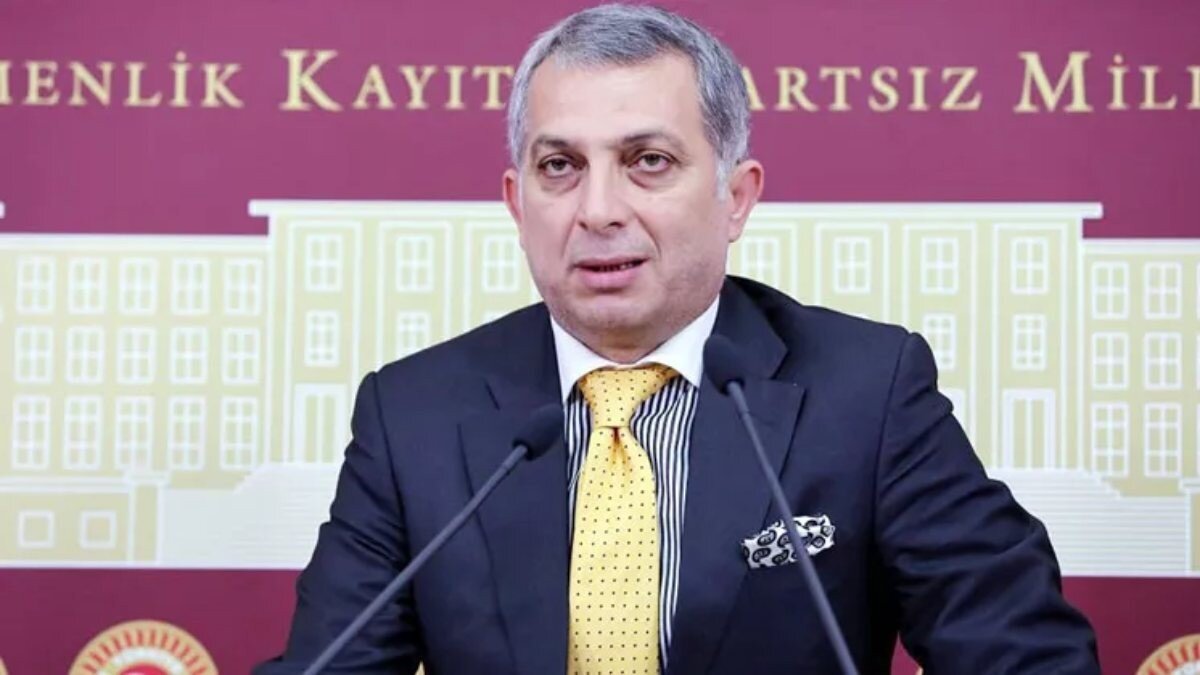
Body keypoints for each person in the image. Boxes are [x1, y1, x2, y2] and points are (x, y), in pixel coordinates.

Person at [257, 4, 1100, 673]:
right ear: (517, 203)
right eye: (560, 166)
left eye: (648, 161)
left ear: (737, 197)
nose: (597, 210)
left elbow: (1023, 652)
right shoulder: (413, 414)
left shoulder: (867, 392)